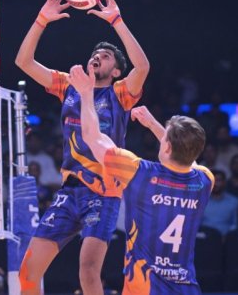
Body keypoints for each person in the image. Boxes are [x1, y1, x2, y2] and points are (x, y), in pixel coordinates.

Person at [15, 0, 149, 295]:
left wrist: (116, 21)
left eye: (105, 56)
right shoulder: (69, 85)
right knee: (28, 273)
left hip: (103, 191)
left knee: (88, 272)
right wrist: (41, 20)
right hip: (69, 191)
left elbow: (142, 67)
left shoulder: (120, 93)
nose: (96, 57)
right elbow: (24, 61)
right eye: (95, 54)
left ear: (116, 71)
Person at [67, 64, 213, 294]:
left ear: (167, 146)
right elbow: (188, 157)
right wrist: (153, 125)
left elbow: (92, 136)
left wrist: (86, 93)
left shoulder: (139, 171)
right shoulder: (204, 181)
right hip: (187, 288)